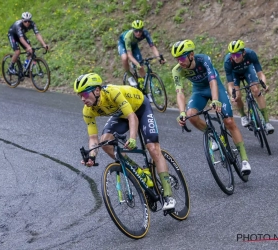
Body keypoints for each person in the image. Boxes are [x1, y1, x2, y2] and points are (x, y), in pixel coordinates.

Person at [74, 73, 176, 210]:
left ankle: (169, 196)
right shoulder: (88, 110)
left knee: (152, 148)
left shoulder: (112, 93)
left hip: (140, 107)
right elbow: (93, 138)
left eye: (85, 94)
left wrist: (133, 138)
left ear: (97, 90)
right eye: (79, 95)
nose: (82, 99)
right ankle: (138, 171)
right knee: (105, 142)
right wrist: (91, 156)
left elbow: (132, 116)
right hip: (121, 113)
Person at [171, 40, 251, 176]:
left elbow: (212, 81)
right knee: (191, 115)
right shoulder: (177, 70)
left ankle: (244, 160)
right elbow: (180, 92)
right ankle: (214, 136)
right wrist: (182, 112)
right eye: (177, 59)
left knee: (229, 121)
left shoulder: (203, 60)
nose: (180, 62)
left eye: (182, 58)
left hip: (215, 88)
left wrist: (215, 100)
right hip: (199, 92)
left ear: (191, 55)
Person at [224, 40, 274, 134]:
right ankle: (243, 116)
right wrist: (232, 95)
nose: (235, 58)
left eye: (237, 55)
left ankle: (267, 123)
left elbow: (260, 74)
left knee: (256, 90)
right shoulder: (228, 61)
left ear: (243, 52)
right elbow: (230, 85)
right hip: (235, 75)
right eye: (233, 55)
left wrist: (264, 84)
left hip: (248, 70)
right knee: (237, 95)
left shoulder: (250, 54)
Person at [117, 20, 165, 100]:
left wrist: (159, 58)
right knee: (125, 58)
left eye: (140, 30)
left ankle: (147, 93)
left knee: (141, 67)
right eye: (136, 31)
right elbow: (129, 55)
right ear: (133, 30)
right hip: (123, 43)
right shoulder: (128, 37)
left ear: (142, 30)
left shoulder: (145, 33)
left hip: (134, 45)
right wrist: (136, 63)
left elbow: (152, 47)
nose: (138, 33)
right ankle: (129, 76)